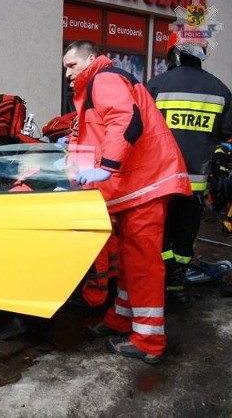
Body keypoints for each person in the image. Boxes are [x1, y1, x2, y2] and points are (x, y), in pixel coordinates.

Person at [62, 40, 192, 364]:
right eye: (65, 67)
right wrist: (76, 172)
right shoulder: (91, 89)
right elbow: (94, 135)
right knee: (130, 258)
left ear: (91, 59)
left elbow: (126, 121)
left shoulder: (103, 80)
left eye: (71, 65)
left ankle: (149, 341)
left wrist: (106, 168)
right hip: (134, 185)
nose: (67, 73)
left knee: (143, 262)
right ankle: (122, 318)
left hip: (143, 183)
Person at [146, 32, 232, 310]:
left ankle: (162, 284)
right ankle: (177, 288)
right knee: (184, 238)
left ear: (174, 53)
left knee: (160, 237)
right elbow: (227, 136)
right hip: (195, 187)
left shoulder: (157, 85)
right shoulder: (220, 90)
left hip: (161, 184)